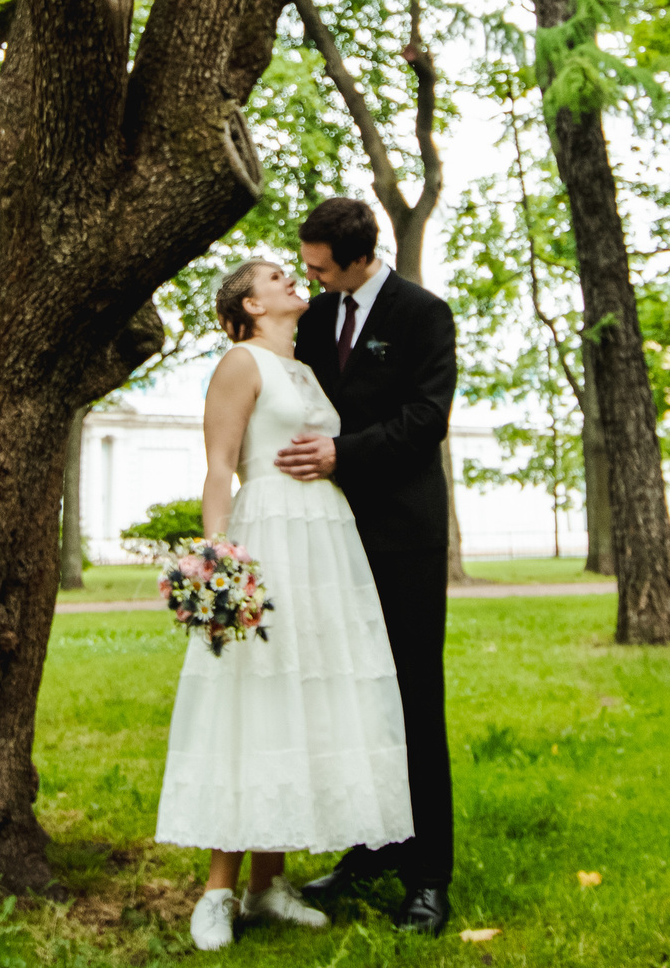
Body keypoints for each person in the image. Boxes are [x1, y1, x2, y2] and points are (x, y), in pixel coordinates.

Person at [154, 258, 414, 952]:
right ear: (247, 301)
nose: (291, 280)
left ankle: (270, 884)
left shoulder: (303, 366)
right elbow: (220, 462)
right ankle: (216, 890)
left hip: (325, 538)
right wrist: (217, 557)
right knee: (254, 695)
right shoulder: (240, 362)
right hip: (266, 531)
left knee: (307, 692)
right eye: (274, 276)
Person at [279, 196, 460, 936]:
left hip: (404, 537)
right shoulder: (319, 318)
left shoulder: (424, 313)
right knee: (352, 699)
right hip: (333, 540)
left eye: (321, 265)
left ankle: (427, 877)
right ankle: (371, 845)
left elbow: (427, 417)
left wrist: (342, 455)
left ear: (359, 257)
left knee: (414, 701)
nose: (311, 276)